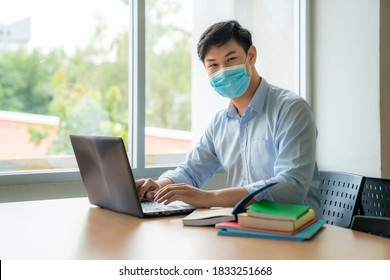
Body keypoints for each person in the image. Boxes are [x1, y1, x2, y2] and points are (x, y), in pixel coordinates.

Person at [136, 20, 320, 215]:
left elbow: (291, 187)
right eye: (213, 65)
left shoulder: (291, 109)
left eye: (230, 59)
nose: (222, 70)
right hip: (240, 227)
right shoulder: (220, 123)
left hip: (295, 231)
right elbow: (191, 171)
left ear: (251, 55)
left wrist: (210, 198)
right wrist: (160, 186)